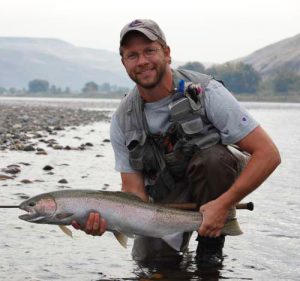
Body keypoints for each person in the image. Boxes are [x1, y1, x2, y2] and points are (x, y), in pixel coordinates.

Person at [72, 19, 281, 266]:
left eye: (150, 51)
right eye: (132, 55)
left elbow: (268, 154)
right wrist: (108, 220)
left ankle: (210, 246)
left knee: (213, 159)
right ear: (124, 62)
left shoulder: (206, 92)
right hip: (167, 197)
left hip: (215, 178)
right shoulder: (122, 120)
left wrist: (223, 205)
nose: (142, 61)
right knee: (150, 261)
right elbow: (133, 192)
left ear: (167, 53)